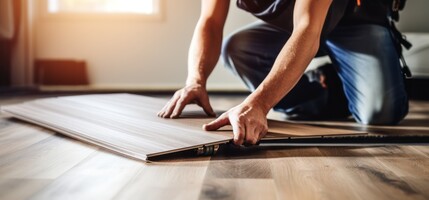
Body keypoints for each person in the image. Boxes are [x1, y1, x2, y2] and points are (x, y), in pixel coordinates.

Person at [158, 0, 409, 146]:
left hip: (355, 23)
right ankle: (328, 86)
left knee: (379, 113)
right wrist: (195, 80)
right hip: (295, 28)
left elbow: (308, 30)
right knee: (238, 48)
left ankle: (364, 74)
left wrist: (259, 104)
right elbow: (210, 22)